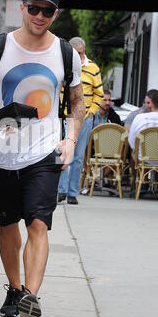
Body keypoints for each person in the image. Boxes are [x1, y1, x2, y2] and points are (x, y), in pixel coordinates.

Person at [0, 0, 85, 317]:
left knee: (38, 221)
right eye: (33, 8)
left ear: (55, 14)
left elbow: (77, 102)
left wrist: (71, 139)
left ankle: (30, 298)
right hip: (3, 152)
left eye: (47, 11)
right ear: (22, 7)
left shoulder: (65, 53)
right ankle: (15, 288)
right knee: (8, 223)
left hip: (44, 152)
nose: (39, 16)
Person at [58, 37, 103, 205]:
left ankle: (71, 192)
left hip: (84, 117)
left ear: (84, 51)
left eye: (80, 53)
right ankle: (61, 190)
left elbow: (99, 94)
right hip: (64, 116)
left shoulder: (93, 68)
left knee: (77, 157)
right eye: (75, 53)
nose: (78, 56)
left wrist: (90, 113)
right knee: (62, 153)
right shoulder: (63, 66)